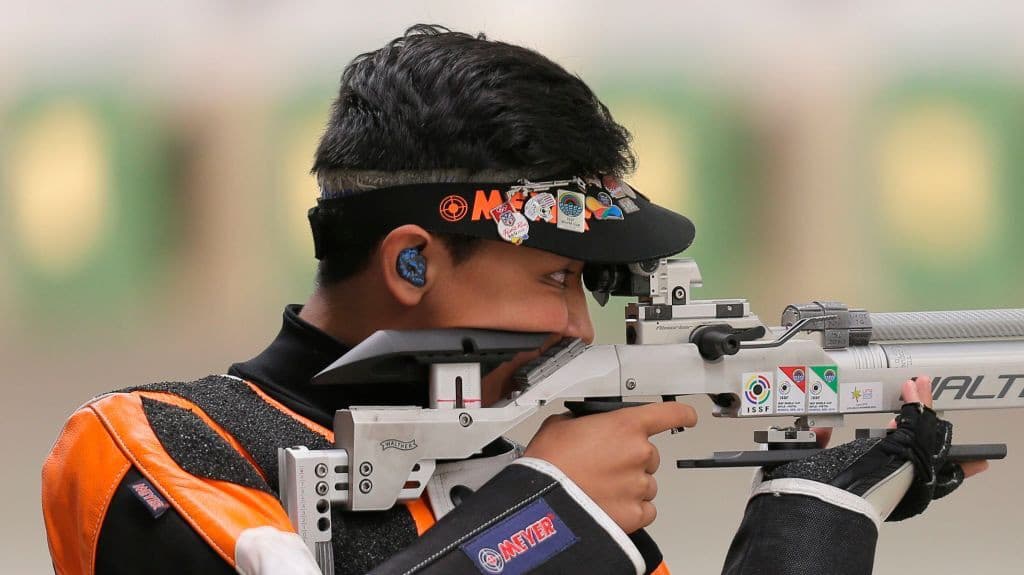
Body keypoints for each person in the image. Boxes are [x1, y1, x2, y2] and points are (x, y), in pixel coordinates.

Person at [42, 25, 986, 575]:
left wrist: (811, 518)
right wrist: (548, 510)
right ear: (413, 264)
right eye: (554, 277)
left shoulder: (515, 474)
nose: (580, 326)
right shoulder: (156, 445)